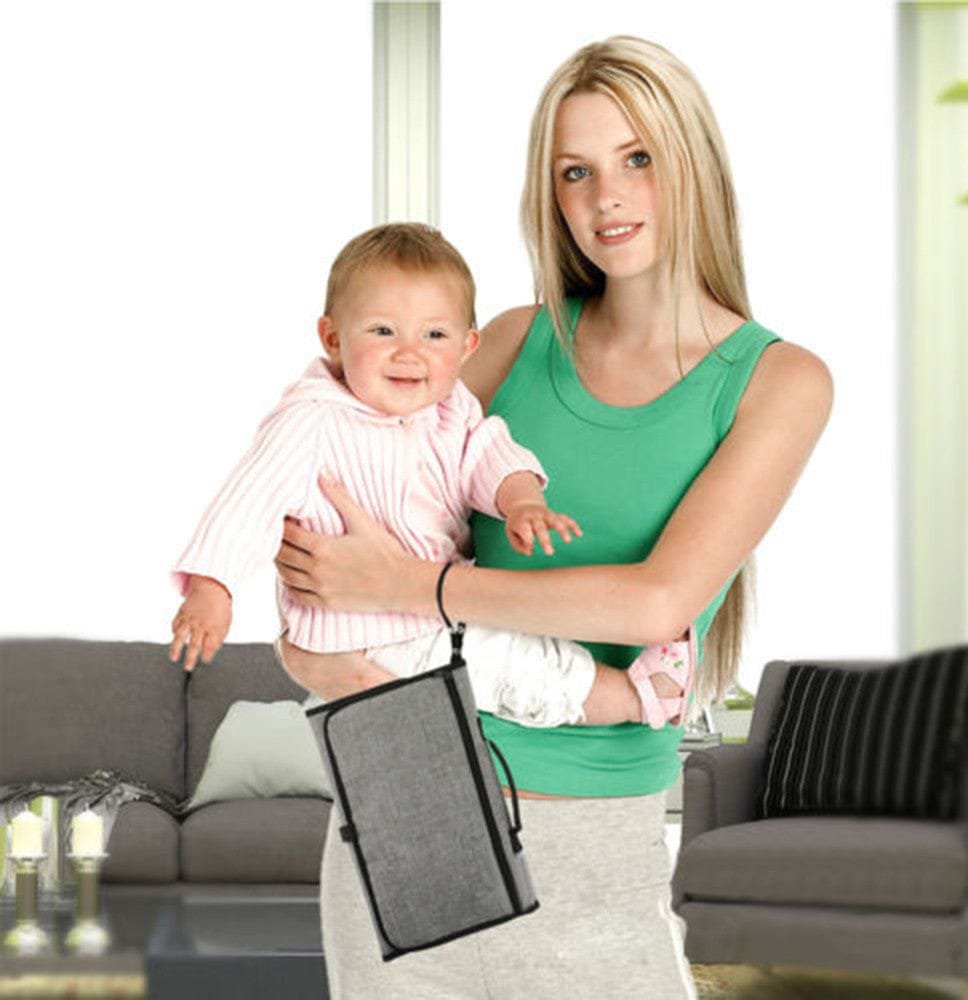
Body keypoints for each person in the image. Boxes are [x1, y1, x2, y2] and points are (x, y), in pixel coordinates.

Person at [276, 35, 833, 1000]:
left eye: (637, 159)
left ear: (691, 162)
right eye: (575, 172)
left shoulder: (779, 382)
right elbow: (341, 522)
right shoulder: (510, 341)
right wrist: (318, 645)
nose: (605, 198)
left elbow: (657, 604)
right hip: (405, 785)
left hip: (592, 839)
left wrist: (415, 589)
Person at [169, 222, 697, 731]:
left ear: (467, 347)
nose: (409, 351)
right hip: (367, 630)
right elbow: (248, 501)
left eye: (434, 334)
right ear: (332, 337)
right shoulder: (311, 418)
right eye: (382, 330)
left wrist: (521, 502)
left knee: (509, 652)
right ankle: (639, 698)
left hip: (424, 609)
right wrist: (212, 589)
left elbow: (488, 452)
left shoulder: (449, 409)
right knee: (515, 668)